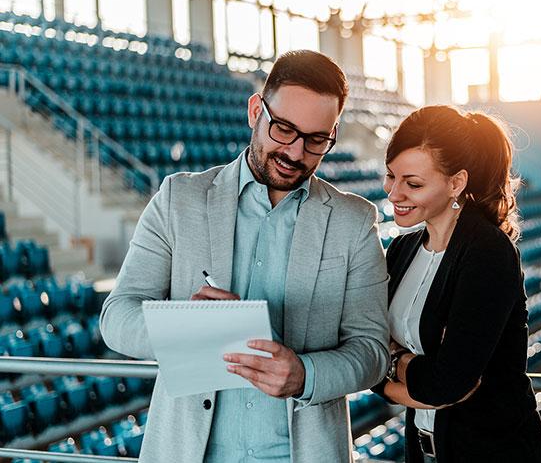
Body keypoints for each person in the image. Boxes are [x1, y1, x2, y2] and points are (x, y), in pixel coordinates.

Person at [100, 50, 390, 463]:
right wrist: (192, 328)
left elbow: (372, 352)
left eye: (316, 140)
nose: (295, 152)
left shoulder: (355, 221)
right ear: (256, 110)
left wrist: (305, 375)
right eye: (284, 129)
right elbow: (116, 318)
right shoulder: (179, 199)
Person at [374, 105, 541, 462]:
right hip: (427, 452)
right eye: (390, 176)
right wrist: (408, 369)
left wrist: (392, 357)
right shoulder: (401, 249)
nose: (394, 194)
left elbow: (448, 383)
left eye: (413, 183)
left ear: (456, 182)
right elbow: (369, 357)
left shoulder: (488, 250)